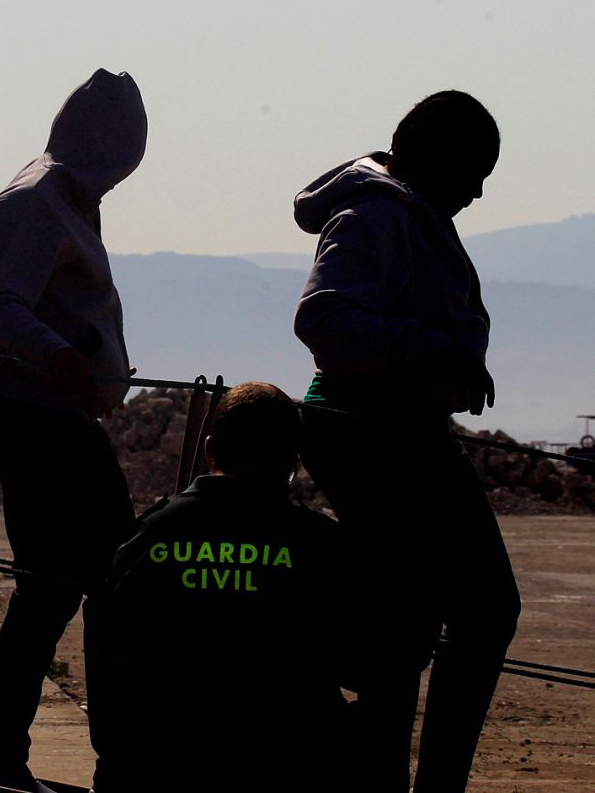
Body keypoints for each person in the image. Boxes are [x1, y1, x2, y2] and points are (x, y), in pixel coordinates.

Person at [292, 90, 519, 792]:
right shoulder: (377, 216)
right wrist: (432, 352)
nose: (480, 192)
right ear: (435, 159)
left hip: (395, 430)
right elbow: (323, 319)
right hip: (376, 436)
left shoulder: (401, 212)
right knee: (482, 608)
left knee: (408, 622)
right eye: (475, 170)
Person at [0, 69, 146, 790]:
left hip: (54, 414)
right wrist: (65, 359)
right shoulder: (36, 202)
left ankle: (11, 750)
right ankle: (57, 753)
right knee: (92, 584)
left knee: (69, 587)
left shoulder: (64, 198)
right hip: (36, 414)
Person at [83, 382, 347, 793]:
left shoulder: (146, 536)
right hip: (285, 770)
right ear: (292, 461)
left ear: (210, 450)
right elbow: (370, 663)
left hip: (151, 771)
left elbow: (103, 647)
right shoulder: (321, 546)